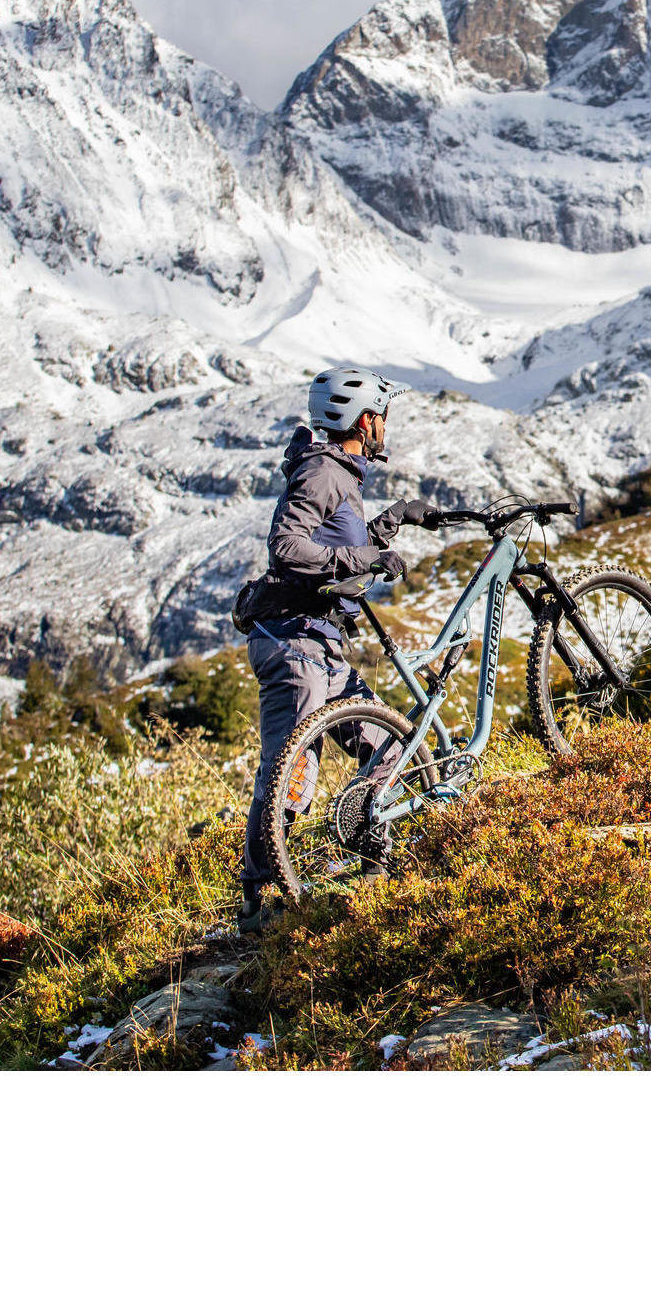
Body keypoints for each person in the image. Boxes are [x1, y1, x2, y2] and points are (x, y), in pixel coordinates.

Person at [236, 365, 445, 931]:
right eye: (382, 416)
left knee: (389, 747)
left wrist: (391, 522)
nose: (385, 428)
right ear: (365, 419)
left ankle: (366, 845)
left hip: (322, 647)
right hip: (294, 643)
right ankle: (261, 905)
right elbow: (287, 547)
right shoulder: (324, 472)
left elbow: (335, 547)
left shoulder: (341, 476)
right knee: (289, 775)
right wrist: (365, 560)